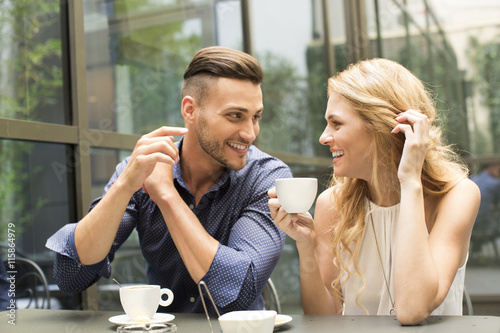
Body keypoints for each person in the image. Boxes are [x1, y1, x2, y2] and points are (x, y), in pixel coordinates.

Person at [46, 46, 292, 313]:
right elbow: (72, 276)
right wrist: (125, 185)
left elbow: (238, 290)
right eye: (235, 115)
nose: (250, 133)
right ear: (190, 110)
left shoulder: (267, 177)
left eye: (256, 117)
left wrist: (167, 196)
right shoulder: (144, 169)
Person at [268, 58, 480, 325]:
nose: (323, 137)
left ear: (381, 126)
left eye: (336, 123)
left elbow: (412, 310)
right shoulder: (331, 205)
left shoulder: (456, 196)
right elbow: (323, 320)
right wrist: (306, 246)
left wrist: (410, 181)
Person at [470, 163, 500, 261]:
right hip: (484, 224)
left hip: (469, 224)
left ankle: (477, 251)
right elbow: (496, 203)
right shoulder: (495, 183)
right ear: (491, 168)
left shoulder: (472, 179)